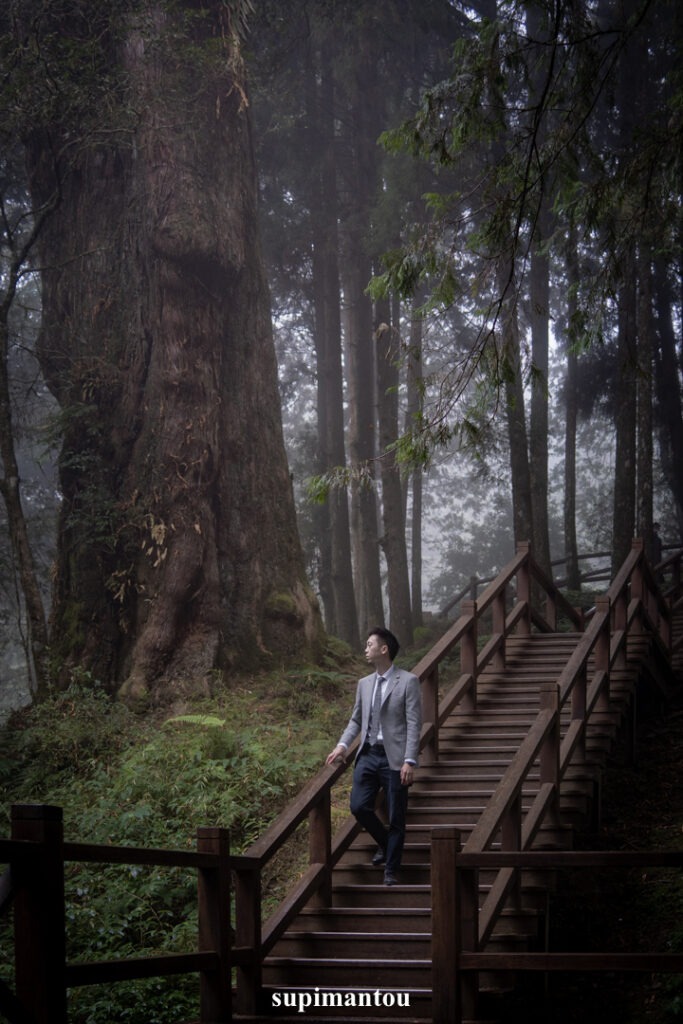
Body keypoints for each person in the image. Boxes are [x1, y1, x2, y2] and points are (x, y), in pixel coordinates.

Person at [326, 627, 422, 886]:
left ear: (384, 649)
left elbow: (414, 724)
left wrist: (409, 760)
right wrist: (343, 746)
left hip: (395, 758)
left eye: (369, 644)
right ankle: (385, 843)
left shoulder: (408, 681)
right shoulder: (364, 684)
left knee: (397, 816)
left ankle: (391, 870)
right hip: (368, 754)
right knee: (358, 806)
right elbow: (356, 719)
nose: (365, 648)